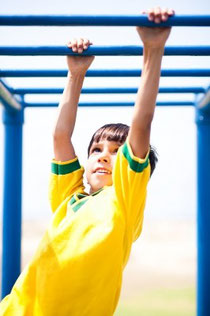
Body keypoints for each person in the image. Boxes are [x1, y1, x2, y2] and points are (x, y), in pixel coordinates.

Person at [0, 7, 175, 316]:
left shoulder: (124, 200)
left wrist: (153, 49)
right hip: (18, 309)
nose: (104, 155)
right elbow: (60, 136)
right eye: (96, 149)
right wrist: (75, 73)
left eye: (116, 151)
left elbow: (141, 127)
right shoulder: (68, 199)